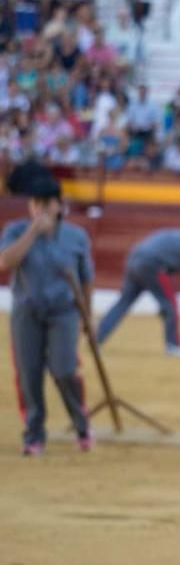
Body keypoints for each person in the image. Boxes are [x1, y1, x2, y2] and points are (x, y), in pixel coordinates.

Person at [0, 177, 94, 455]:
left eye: (45, 204)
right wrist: (31, 232)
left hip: (64, 312)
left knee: (64, 369)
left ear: (58, 205)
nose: (38, 209)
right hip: (26, 311)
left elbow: (86, 280)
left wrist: (87, 315)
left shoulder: (76, 236)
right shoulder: (16, 230)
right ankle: (34, 434)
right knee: (29, 374)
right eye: (34, 203)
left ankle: (81, 423)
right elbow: (6, 261)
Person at [96, 217, 180, 356]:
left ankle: (98, 338)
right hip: (152, 266)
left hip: (133, 261)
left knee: (123, 302)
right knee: (170, 304)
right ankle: (174, 345)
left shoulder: (175, 235)